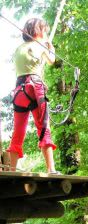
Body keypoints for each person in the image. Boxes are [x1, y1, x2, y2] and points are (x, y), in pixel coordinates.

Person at [6, 18, 58, 174]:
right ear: (39, 31)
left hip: (19, 89)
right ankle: (51, 168)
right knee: (43, 128)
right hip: (35, 87)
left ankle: (12, 169)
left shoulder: (19, 48)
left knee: (18, 131)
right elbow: (52, 61)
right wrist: (51, 48)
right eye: (45, 31)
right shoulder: (40, 45)